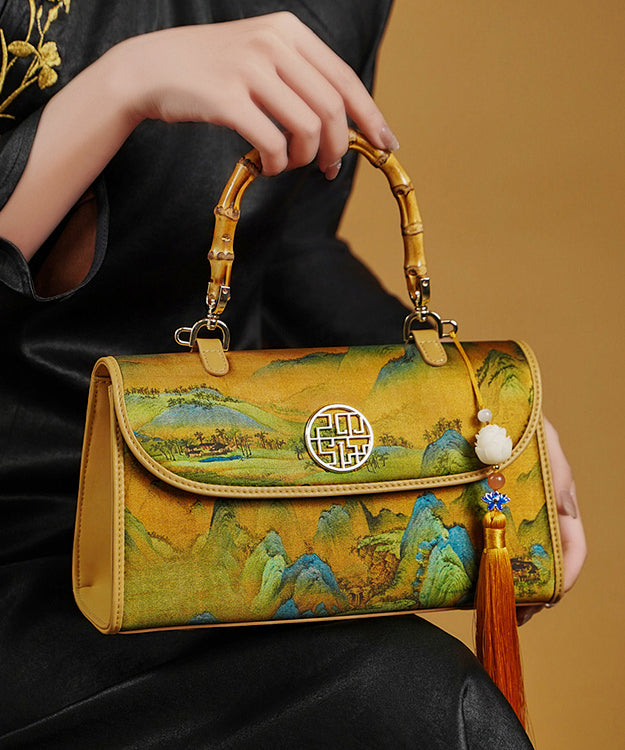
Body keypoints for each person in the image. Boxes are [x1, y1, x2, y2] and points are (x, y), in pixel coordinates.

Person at [0, 2, 585, 747]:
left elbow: (290, 250)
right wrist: (119, 86)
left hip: (228, 513)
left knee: (426, 703)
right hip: (26, 540)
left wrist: (472, 407)